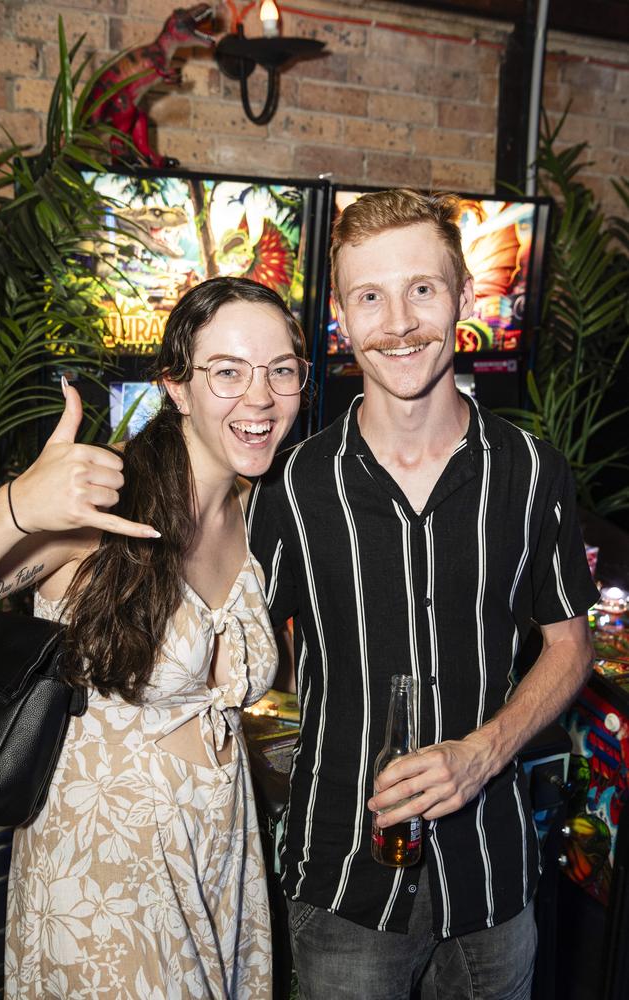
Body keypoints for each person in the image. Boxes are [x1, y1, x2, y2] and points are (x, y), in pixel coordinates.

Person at [247, 189, 599, 1000]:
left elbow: (570, 644)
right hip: (343, 883)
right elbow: (235, 651)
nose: (398, 322)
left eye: (423, 290)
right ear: (340, 315)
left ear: (464, 300)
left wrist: (481, 754)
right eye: (370, 296)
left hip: (493, 881)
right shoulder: (294, 485)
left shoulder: (532, 471)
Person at [0, 276, 309, 999]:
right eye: (227, 371)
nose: (259, 397)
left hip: (221, 846)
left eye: (280, 370)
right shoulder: (102, 505)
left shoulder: (263, 509)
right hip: (108, 866)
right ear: (178, 387)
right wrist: (17, 507)